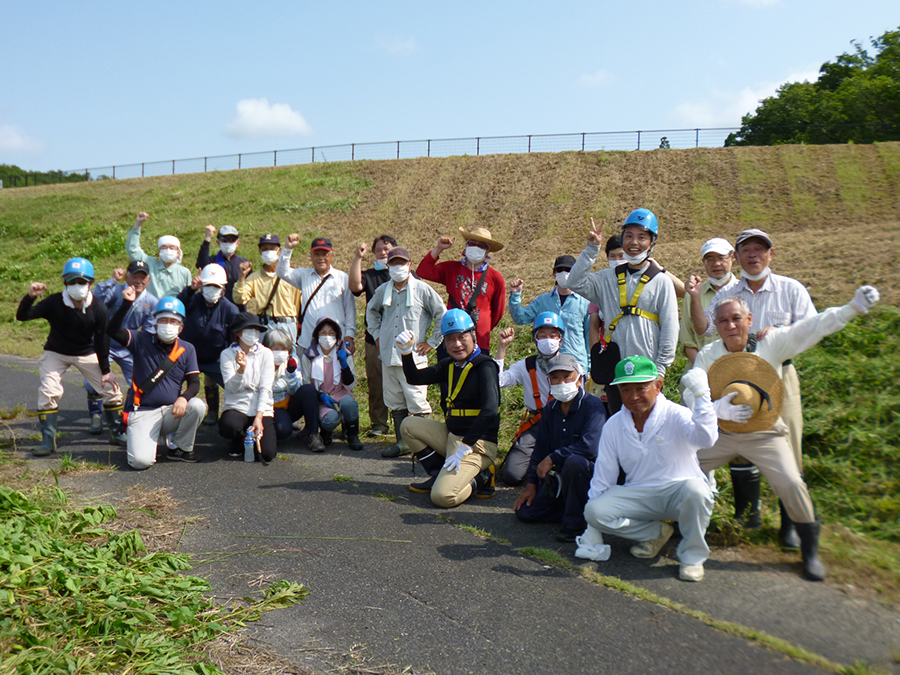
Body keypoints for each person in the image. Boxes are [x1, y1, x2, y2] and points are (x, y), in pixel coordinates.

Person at [691, 286, 879, 581]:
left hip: (765, 433)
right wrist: (712, 408)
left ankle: (809, 549)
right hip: (722, 433)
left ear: (749, 319)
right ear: (715, 325)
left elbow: (811, 328)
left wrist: (851, 308)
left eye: (736, 318)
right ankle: (677, 524)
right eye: (723, 320)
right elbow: (693, 387)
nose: (730, 325)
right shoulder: (709, 354)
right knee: (681, 464)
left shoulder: (772, 344)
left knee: (792, 482)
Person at [686, 228, 816, 548]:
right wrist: (692, 297)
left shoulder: (790, 288)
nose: (753, 255)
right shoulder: (729, 294)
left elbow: (812, 328)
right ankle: (748, 515)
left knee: (789, 450)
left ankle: (791, 524)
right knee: (738, 441)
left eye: (760, 249)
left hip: (778, 377)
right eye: (747, 250)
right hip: (736, 377)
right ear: (738, 257)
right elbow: (704, 330)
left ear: (771, 254)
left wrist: (783, 331)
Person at [575, 356, 718, 583]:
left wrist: (702, 396)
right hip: (639, 494)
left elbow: (707, 438)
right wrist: (593, 526)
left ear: (657, 385)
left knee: (697, 490)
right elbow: (604, 474)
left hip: (677, 493)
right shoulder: (614, 425)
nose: (633, 397)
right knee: (594, 510)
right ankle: (655, 533)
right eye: (626, 389)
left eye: (641, 388)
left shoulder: (676, 414)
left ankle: (692, 557)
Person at [564, 210, 679, 415]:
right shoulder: (607, 279)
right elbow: (574, 282)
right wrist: (592, 249)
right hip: (617, 371)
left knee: (650, 425)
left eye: (642, 237)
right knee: (620, 424)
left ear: (652, 243)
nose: (634, 242)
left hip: (647, 370)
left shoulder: (661, 282)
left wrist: (660, 369)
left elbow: (670, 327)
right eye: (629, 236)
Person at [679, 238, 755, 527]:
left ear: (732, 258)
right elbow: (688, 339)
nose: (716, 263)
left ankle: (747, 513)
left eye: (721, 258)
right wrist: (706, 372)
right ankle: (702, 504)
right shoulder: (693, 293)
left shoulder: (740, 291)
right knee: (699, 443)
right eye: (709, 259)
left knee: (741, 440)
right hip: (701, 378)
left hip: (739, 376)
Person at [17, 258, 125, 455]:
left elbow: (102, 340)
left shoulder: (99, 308)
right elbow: (23, 316)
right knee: (48, 391)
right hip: (56, 352)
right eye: (72, 282)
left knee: (111, 390)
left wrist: (106, 372)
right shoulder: (54, 302)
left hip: (86, 352)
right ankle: (48, 441)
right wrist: (30, 296)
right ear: (65, 283)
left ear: (90, 284)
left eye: (82, 282)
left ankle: (117, 433)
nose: (77, 286)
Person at [395, 309, 499, 507]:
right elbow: (415, 378)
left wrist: (466, 446)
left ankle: (483, 476)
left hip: (477, 445)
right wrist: (406, 352)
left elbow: (490, 411)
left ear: (473, 335)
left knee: (442, 497)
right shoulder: (449, 365)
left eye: (462, 337)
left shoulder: (485, 367)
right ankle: (438, 474)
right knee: (408, 425)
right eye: (450, 339)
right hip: (453, 437)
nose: (457, 344)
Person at [513, 354, 606, 542]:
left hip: (588, 476)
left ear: (579, 379)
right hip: (558, 479)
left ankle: (575, 525)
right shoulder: (550, 409)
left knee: (575, 462)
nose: (561, 382)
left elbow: (590, 447)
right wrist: (531, 484)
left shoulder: (593, 406)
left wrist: (553, 458)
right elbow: (540, 449)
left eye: (567, 376)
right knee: (525, 513)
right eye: (556, 377)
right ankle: (572, 510)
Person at [108, 294, 206, 469]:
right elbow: (112, 330)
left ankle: (180, 448)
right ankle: (147, 439)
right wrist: (126, 304)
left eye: (173, 321)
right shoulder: (140, 339)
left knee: (197, 406)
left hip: (171, 411)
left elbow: (194, 383)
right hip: (143, 410)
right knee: (140, 462)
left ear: (181, 326)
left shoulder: (187, 348)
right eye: (163, 320)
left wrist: (183, 397)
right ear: (155, 323)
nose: (168, 325)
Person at [365, 246, 445, 458]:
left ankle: (428, 445)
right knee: (395, 400)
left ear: (409, 265)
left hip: (414, 357)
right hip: (389, 356)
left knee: (417, 401)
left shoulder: (422, 289)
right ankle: (403, 443)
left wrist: (432, 341)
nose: (398, 267)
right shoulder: (383, 290)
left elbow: (441, 313)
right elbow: (371, 312)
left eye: (402, 263)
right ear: (388, 266)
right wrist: (377, 335)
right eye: (393, 263)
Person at [84, 260, 158, 436]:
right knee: (94, 379)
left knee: (140, 380)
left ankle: (129, 414)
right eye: (134, 276)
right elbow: (95, 299)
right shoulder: (116, 291)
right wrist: (112, 281)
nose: (138, 280)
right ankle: (95, 414)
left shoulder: (152, 302)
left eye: (143, 277)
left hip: (128, 347)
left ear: (149, 279)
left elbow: (147, 331)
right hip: (104, 344)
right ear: (127, 276)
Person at [492, 312, 563, 486]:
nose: (548, 340)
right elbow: (498, 381)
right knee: (511, 475)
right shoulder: (526, 365)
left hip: (562, 423)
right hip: (535, 425)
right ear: (535, 339)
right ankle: (535, 464)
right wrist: (502, 348)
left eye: (553, 335)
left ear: (560, 339)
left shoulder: (570, 365)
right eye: (543, 335)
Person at [415, 226, 506, 353]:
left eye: (482, 246)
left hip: (479, 341)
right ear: (466, 245)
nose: (476, 247)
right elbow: (423, 271)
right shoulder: (451, 269)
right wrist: (439, 248)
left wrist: (482, 327)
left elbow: (498, 311)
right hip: (451, 338)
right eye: (472, 243)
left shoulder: (495, 278)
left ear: (487, 251)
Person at [508, 254, 591, 376]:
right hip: (548, 367)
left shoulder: (585, 302)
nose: (564, 273)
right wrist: (515, 295)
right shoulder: (542, 301)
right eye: (560, 270)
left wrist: (589, 367)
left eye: (568, 270)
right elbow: (521, 318)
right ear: (554, 273)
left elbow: (589, 336)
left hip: (576, 366)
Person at [177, 263, 239, 426]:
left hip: (214, 358)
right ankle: (168, 410)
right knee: (171, 382)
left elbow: (234, 338)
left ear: (223, 289)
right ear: (202, 287)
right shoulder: (191, 300)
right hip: (187, 357)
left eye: (216, 286)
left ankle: (215, 412)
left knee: (233, 383)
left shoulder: (230, 309)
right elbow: (177, 307)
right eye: (208, 285)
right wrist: (191, 289)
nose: (212, 290)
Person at [349, 234, 397, 437]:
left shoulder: (404, 273)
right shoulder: (370, 275)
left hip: (400, 339)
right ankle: (379, 423)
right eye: (379, 250)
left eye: (387, 249)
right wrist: (358, 257)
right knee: (376, 382)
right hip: (374, 339)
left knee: (402, 382)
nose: (383, 253)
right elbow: (354, 287)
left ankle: (405, 425)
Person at [277, 235, 356, 353]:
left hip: (335, 342)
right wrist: (288, 249)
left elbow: (349, 308)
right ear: (311, 256)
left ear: (332, 256)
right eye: (317, 254)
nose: (321, 258)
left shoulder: (342, 278)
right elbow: (282, 272)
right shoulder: (303, 275)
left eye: (325, 254)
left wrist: (349, 334)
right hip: (308, 342)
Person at [219, 313, 277, 464]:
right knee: (229, 426)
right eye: (249, 329)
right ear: (238, 332)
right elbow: (231, 387)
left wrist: (259, 417)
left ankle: (251, 436)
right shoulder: (227, 354)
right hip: (238, 406)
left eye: (256, 329)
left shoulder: (266, 353)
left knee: (267, 454)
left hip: (261, 407)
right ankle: (237, 439)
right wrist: (241, 370)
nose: (253, 333)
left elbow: (266, 387)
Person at [298, 317, 363, 451]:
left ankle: (352, 435)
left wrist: (344, 364)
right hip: (322, 399)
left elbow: (350, 386)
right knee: (331, 418)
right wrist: (320, 396)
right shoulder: (309, 356)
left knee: (349, 404)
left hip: (342, 393)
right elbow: (307, 385)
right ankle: (326, 432)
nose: (327, 337)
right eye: (323, 333)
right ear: (316, 335)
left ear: (337, 335)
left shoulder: (344, 354)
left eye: (331, 333)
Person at [233, 234, 302, 348]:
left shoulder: (291, 275)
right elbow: (239, 298)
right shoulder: (254, 278)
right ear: (260, 251)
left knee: (289, 360)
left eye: (272, 248)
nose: (268, 251)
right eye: (265, 249)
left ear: (279, 250)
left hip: (287, 324)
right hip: (266, 324)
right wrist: (241, 277)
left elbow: (300, 302)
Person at [125, 211, 192, 299]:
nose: (168, 250)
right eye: (164, 247)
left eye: (172, 247)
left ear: (178, 252)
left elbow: (189, 296)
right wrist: (137, 225)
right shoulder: (149, 263)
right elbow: (132, 249)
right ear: (159, 251)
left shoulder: (184, 273)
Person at [263, 328, 306, 441]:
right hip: (264, 405)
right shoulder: (261, 360)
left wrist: (291, 374)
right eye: (276, 348)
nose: (279, 352)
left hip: (283, 405)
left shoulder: (292, 361)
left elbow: (295, 390)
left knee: (283, 430)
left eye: (283, 349)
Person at [196, 224, 249, 306]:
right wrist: (208, 239)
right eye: (224, 240)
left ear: (238, 243)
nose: (228, 243)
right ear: (218, 243)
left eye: (232, 240)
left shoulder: (243, 263)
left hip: (238, 308)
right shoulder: (212, 262)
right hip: (217, 307)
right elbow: (201, 264)